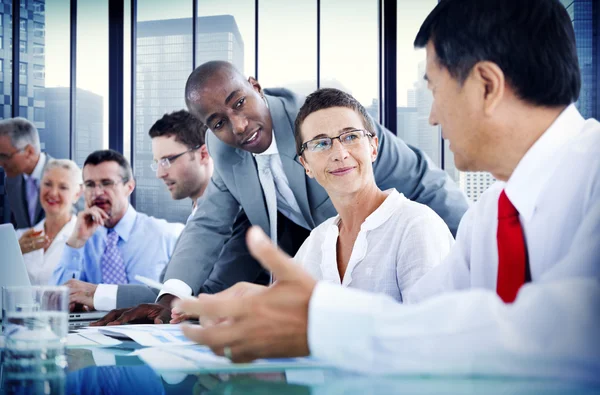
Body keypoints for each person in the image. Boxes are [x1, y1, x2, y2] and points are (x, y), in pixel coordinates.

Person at [174, 0, 600, 381]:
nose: (432, 117)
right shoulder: (490, 216)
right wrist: (274, 326)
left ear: (486, 86)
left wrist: (322, 324)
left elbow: (573, 333)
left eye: (434, 89)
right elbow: (423, 323)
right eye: (320, 144)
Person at [95, 59, 470, 325]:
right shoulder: (229, 154)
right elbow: (207, 226)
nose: (238, 126)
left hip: (411, 226)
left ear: (256, 87)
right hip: (336, 245)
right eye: (219, 122)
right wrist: (172, 296)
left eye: (240, 102)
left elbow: (421, 183)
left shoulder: (323, 124)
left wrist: (476, 248)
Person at [292, 88, 453, 299]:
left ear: (373, 148)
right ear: (306, 165)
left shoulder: (416, 226)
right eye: (321, 143)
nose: (340, 154)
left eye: (350, 137)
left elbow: (432, 326)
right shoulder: (315, 244)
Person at [65, 111, 216, 313]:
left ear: (203, 154)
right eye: (90, 185)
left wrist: (96, 294)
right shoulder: (196, 221)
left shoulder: (171, 234)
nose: (160, 173)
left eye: (168, 160)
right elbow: (59, 295)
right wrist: (75, 243)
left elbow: (186, 296)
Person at [50, 150, 184, 305]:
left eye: (107, 183)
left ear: (129, 186)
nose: (97, 192)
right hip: (94, 328)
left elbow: (180, 297)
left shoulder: (167, 235)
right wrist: (76, 241)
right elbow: (55, 301)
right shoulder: (81, 240)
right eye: (90, 185)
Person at [15, 159, 82, 285]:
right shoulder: (20, 238)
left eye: (63, 187)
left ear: (77, 194)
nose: (53, 193)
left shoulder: (85, 239)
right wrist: (14, 252)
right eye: (47, 184)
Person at [0, 117, 52, 229]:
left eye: (4, 156)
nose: (1, 163)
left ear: (29, 152)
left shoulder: (67, 176)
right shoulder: (12, 180)